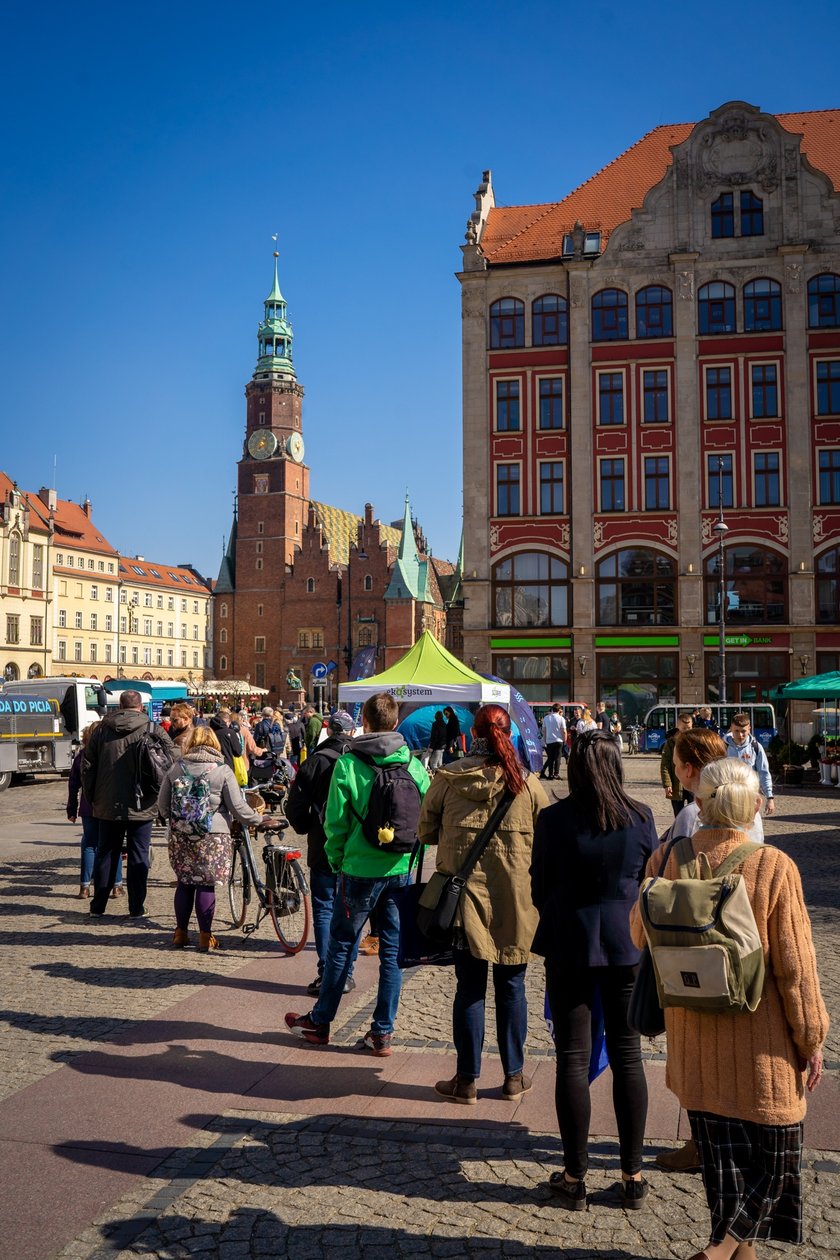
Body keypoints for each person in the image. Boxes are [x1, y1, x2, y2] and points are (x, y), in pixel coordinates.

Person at [630, 759, 828, 1259]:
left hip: (695, 1047)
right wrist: (812, 1039)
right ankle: (718, 1253)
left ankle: (735, 1253)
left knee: (724, 1170)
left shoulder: (668, 857)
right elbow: (796, 970)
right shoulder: (774, 866)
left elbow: (638, 935)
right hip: (764, 1052)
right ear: (756, 806)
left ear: (698, 804)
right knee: (777, 1164)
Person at [531, 729, 656, 1210]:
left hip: (571, 942)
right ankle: (632, 1175)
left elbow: (538, 883)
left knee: (573, 1057)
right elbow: (651, 880)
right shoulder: (641, 818)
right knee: (628, 1056)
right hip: (626, 945)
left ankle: (574, 1176)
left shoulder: (554, 819)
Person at [285, 692, 430, 1056]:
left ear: (364, 722)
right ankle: (382, 1031)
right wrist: (413, 859)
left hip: (358, 870)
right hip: (398, 869)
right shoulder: (413, 766)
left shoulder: (350, 765)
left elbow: (334, 822)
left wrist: (336, 860)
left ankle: (320, 1022)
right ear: (396, 723)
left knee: (341, 946)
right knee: (394, 952)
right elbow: (426, 820)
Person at [418, 704, 547, 1103]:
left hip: (464, 902)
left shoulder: (448, 778)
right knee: (512, 986)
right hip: (517, 901)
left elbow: (424, 832)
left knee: (469, 988)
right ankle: (514, 1077)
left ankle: (467, 1080)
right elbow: (548, 838)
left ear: (470, 734)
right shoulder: (528, 784)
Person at [158, 726, 265, 951]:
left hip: (182, 834)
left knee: (185, 883)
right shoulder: (222, 770)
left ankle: (180, 934)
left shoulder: (177, 767)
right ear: (214, 743)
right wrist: (257, 819)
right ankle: (206, 937)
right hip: (213, 835)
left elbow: (162, 805)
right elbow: (237, 808)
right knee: (206, 884)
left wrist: (178, 819)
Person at [284, 710, 359, 996]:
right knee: (352, 911)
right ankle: (347, 972)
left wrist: (307, 827)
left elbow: (294, 807)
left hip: (323, 844)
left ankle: (328, 971)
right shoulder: (361, 759)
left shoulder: (315, 761)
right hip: (356, 848)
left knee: (325, 908)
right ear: (351, 732)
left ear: (329, 729)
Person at [83, 690, 175, 918]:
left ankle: (98, 906)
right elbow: (172, 763)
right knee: (139, 855)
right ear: (141, 706)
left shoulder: (102, 730)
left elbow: (87, 765)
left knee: (106, 853)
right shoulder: (153, 729)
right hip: (143, 803)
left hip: (107, 802)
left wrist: (92, 796)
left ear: (120, 706)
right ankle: (136, 907)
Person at [67, 721, 124, 899]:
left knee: (89, 845)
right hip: (109, 806)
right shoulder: (112, 755)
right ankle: (116, 885)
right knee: (113, 845)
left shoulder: (81, 757)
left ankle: (85, 887)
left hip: (88, 806)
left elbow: (73, 785)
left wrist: (72, 808)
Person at [724, 713, 775, 816]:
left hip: (750, 798)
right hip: (728, 798)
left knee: (751, 830)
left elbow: (763, 772)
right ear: (731, 728)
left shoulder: (756, 747)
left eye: (743, 731)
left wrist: (770, 798)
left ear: (749, 729)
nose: (740, 735)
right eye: (736, 731)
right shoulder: (722, 747)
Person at [660, 711, 694, 817]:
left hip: (692, 784)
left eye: (689, 728)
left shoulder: (695, 741)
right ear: (678, 727)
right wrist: (667, 784)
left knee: (694, 814)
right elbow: (665, 765)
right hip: (676, 784)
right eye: (684, 728)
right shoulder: (670, 743)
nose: (687, 731)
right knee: (678, 815)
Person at [209, 708, 242, 773]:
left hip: (211, 766)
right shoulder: (230, 732)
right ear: (227, 721)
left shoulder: (209, 732)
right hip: (227, 766)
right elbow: (238, 752)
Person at [540, 704, 567, 780]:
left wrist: (545, 740)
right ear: (559, 710)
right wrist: (565, 740)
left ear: (552, 710)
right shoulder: (561, 719)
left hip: (549, 741)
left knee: (550, 758)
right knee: (558, 758)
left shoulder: (546, 718)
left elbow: (544, 730)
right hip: (559, 741)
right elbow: (564, 731)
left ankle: (550, 774)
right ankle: (556, 774)